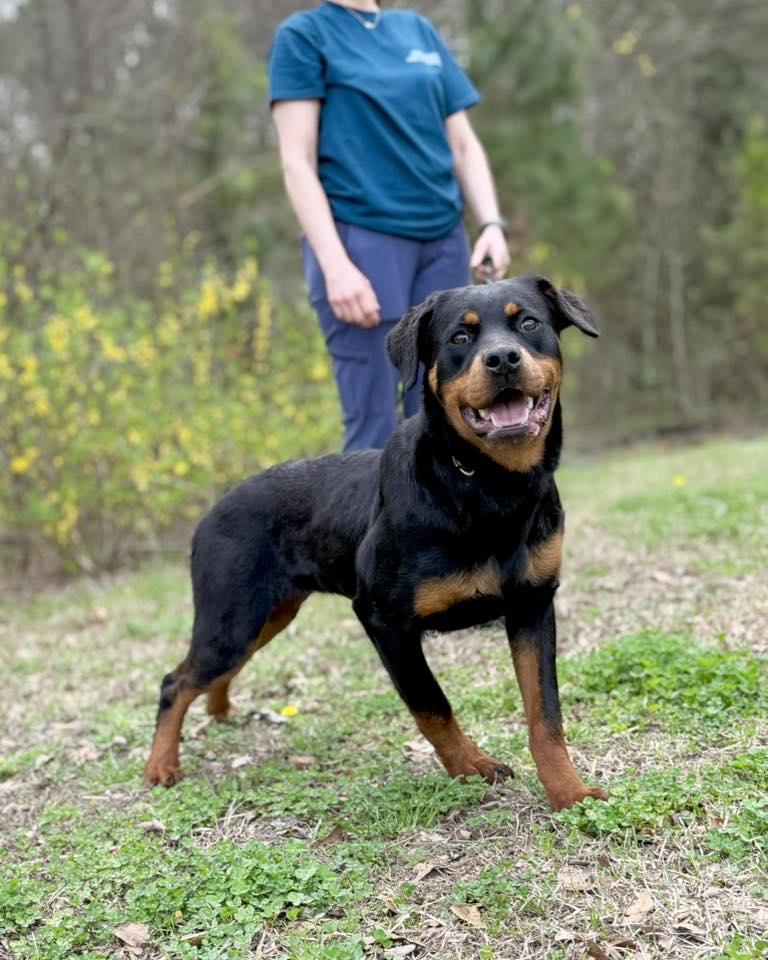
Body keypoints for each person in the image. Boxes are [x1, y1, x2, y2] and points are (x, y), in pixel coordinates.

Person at [269, 0, 510, 452]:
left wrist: (491, 224)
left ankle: (457, 525)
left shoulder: (417, 31)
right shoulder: (304, 37)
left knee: (449, 418)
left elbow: (462, 145)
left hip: (443, 242)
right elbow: (296, 163)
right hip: (361, 242)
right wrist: (335, 265)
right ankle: (370, 526)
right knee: (374, 430)